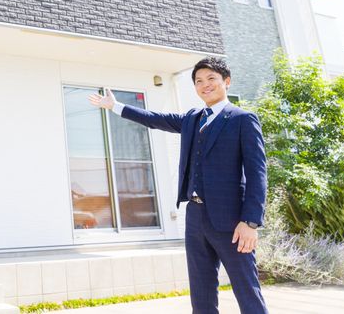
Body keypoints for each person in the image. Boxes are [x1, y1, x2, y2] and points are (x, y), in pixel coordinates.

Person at [89, 56, 268, 314]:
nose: (205, 85)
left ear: (226, 82)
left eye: (211, 79)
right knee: (201, 291)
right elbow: (155, 118)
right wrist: (116, 106)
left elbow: (257, 172)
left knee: (247, 290)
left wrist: (250, 222)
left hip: (232, 221)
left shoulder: (243, 119)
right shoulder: (193, 118)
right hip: (195, 216)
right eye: (199, 81)